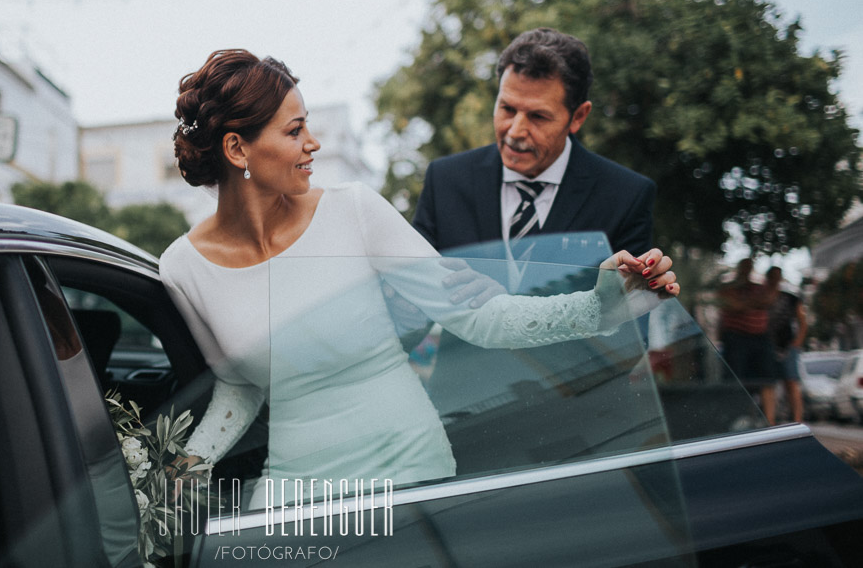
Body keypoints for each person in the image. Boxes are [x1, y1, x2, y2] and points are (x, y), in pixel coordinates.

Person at [159, 49, 680, 507]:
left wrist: (600, 306)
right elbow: (239, 385)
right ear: (237, 150)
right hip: (294, 486)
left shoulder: (355, 211)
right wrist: (188, 464)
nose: (314, 143)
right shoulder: (180, 268)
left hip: (407, 470)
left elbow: (479, 318)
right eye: (295, 131)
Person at [413, 27, 655, 258]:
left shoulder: (626, 197)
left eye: (538, 116)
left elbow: (623, 299)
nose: (516, 131)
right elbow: (413, 286)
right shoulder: (444, 181)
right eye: (507, 109)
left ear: (578, 116)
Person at [718, 258, 778, 423]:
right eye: (744, 266)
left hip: (760, 337)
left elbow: (768, 300)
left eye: (749, 267)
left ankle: (770, 421)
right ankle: (738, 418)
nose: (747, 270)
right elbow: (732, 304)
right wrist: (753, 303)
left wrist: (747, 303)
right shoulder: (729, 287)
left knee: (766, 379)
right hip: (736, 337)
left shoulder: (758, 287)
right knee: (737, 379)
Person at [765, 266, 808, 423]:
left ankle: (797, 420)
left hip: (787, 345)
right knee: (768, 384)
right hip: (768, 345)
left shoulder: (789, 297)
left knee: (791, 382)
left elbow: (802, 320)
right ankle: (770, 421)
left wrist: (797, 342)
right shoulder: (763, 297)